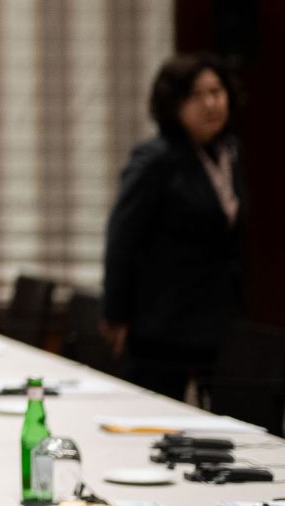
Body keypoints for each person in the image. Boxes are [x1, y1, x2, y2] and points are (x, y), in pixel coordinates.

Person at [102, 52, 244, 401]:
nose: (211, 104)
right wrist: (115, 313)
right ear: (173, 104)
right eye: (196, 95)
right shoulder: (156, 159)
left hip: (216, 316)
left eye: (217, 92)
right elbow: (122, 237)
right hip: (163, 322)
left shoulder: (228, 152)